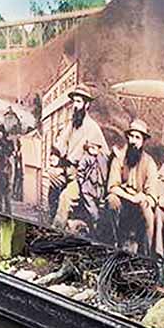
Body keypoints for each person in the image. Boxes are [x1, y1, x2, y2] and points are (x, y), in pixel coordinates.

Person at [50, 85, 108, 226]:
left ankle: (57, 228)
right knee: (51, 179)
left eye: (79, 102)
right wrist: (57, 160)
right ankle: (51, 219)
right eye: (74, 102)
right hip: (67, 171)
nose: (75, 106)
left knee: (65, 197)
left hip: (82, 178)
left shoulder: (92, 128)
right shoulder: (73, 124)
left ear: (87, 105)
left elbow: (103, 156)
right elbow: (61, 144)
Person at [108, 119, 160, 255]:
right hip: (124, 202)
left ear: (143, 141)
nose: (133, 141)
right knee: (111, 200)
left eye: (137, 137)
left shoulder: (149, 163)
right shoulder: (119, 159)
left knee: (148, 210)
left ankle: (147, 254)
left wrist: (145, 198)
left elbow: (152, 195)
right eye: (131, 136)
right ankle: (114, 244)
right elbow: (112, 187)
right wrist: (131, 197)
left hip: (139, 206)